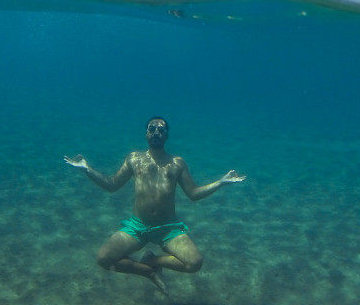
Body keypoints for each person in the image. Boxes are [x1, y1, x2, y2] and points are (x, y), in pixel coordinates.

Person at [64, 116, 246, 296]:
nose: (156, 132)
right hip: (138, 226)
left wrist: (221, 182)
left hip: (168, 228)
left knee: (194, 263)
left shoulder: (177, 163)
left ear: (166, 136)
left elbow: (193, 194)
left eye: (161, 130)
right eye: (152, 129)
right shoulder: (134, 159)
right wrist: (87, 169)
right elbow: (112, 184)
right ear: (146, 134)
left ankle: (154, 260)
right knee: (103, 259)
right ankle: (148, 271)